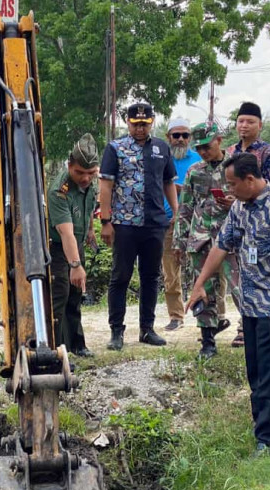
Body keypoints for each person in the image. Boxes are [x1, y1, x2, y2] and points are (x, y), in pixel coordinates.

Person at [187, 153, 270, 454]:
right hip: (249, 306)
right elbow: (222, 245)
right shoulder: (239, 207)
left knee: (269, 372)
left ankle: (269, 436)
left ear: (250, 179)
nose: (229, 191)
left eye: (232, 184)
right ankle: (262, 429)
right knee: (254, 372)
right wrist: (199, 285)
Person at [99, 102, 178, 350]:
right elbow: (106, 186)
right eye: (136, 124)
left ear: (152, 122)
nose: (140, 129)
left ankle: (147, 329)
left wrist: (175, 212)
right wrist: (106, 221)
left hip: (154, 223)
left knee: (151, 277)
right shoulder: (115, 148)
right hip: (124, 224)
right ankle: (116, 332)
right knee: (120, 276)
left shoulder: (161, 148)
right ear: (128, 122)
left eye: (145, 124)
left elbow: (168, 182)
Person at [172, 122, 236, 359]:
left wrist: (234, 203)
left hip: (231, 236)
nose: (203, 152)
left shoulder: (236, 166)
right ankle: (208, 342)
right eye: (198, 148)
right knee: (203, 287)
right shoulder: (194, 171)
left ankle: (251, 335)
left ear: (219, 140)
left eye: (207, 146)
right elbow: (185, 207)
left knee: (239, 287)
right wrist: (179, 241)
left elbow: (253, 198)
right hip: (200, 237)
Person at [226, 101, 270, 347]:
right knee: (236, 272)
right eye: (241, 121)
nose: (244, 126)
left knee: (257, 270)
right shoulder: (230, 151)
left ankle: (252, 325)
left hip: (260, 219)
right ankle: (243, 322)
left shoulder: (269, 153)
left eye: (250, 121)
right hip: (234, 216)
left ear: (260, 125)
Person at [48, 134, 99, 357]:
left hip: (76, 243)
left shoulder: (90, 185)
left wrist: (89, 231)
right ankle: (58, 350)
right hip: (57, 246)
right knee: (60, 294)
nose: (86, 178)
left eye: (91, 173)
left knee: (76, 294)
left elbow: (87, 210)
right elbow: (65, 232)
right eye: (80, 172)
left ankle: (77, 343)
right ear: (70, 166)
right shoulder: (59, 191)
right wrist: (76, 265)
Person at [161, 118, 201, 331]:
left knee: (200, 268)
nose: (180, 139)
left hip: (196, 223)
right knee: (170, 271)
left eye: (185, 135)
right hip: (167, 223)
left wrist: (179, 189)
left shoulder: (198, 159)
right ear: (168, 137)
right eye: (176, 135)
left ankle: (206, 314)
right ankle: (176, 316)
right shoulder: (161, 159)